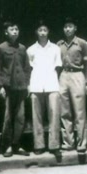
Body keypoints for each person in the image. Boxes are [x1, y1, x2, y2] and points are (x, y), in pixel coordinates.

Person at [0, 20, 31, 157]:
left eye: (16, 29)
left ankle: (16, 144)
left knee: (20, 117)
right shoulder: (0, 48)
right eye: (12, 29)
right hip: (8, 88)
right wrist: (0, 86)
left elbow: (27, 68)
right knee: (8, 118)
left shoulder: (22, 48)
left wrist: (27, 84)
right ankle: (7, 146)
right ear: (6, 32)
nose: (15, 31)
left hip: (21, 88)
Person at [27, 19, 62, 159]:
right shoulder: (30, 50)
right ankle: (39, 145)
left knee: (54, 115)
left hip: (52, 84)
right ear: (36, 32)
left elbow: (58, 67)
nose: (42, 33)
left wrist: (54, 81)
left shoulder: (55, 48)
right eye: (40, 30)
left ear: (48, 32)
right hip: (36, 85)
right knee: (37, 116)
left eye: (45, 30)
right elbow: (28, 69)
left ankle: (54, 145)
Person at [57, 17, 87, 160]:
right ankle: (68, 142)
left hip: (78, 75)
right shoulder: (59, 44)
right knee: (64, 111)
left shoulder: (82, 43)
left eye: (70, 26)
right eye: (65, 27)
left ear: (75, 28)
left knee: (79, 111)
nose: (67, 29)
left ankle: (81, 143)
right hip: (64, 75)